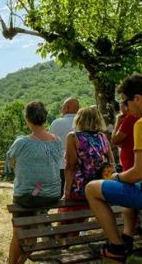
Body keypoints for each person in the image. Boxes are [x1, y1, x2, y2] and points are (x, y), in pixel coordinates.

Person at [86, 74, 142, 263]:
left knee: (92, 188)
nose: (125, 107)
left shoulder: (140, 124)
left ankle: (116, 247)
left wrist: (116, 177)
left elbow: (137, 173)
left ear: (137, 98)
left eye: (126, 102)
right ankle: (126, 239)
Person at [7, 101, 63, 264]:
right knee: (33, 226)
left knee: (19, 231)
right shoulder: (57, 141)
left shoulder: (22, 142)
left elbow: (12, 163)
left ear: (27, 119)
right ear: (45, 119)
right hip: (51, 195)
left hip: (28, 197)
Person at [49, 98, 80, 197]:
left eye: (62, 107)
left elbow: (50, 145)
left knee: (60, 196)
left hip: (61, 166)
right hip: (80, 168)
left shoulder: (57, 123)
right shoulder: (82, 123)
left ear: (66, 108)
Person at [112, 101, 138, 172]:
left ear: (126, 107)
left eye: (121, 105)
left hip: (130, 161)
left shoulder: (130, 118)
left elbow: (115, 140)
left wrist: (117, 124)